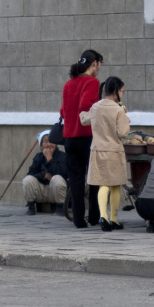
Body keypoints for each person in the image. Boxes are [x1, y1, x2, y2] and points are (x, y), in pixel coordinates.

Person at [80, 77, 131, 232]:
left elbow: (84, 120)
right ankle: (114, 219)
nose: (122, 93)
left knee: (103, 184)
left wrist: (82, 113)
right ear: (116, 91)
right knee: (115, 184)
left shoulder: (96, 107)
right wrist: (126, 120)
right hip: (114, 151)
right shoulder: (118, 109)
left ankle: (103, 216)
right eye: (122, 90)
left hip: (97, 150)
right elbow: (122, 132)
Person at [60, 49, 103, 229]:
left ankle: (78, 219)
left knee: (76, 179)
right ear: (94, 64)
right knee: (94, 178)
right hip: (87, 136)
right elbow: (87, 105)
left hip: (69, 136)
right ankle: (94, 216)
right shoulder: (92, 82)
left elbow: (62, 111)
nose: (99, 68)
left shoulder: (68, 84)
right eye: (99, 64)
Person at [22, 130, 68, 216]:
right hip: (41, 190)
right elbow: (31, 173)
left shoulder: (63, 156)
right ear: (41, 145)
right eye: (45, 142)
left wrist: (50, 159)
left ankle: (60, 208)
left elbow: (63, 174)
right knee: (27, 180)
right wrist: (43, 175)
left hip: (56, 191)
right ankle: (31, 207)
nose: (49, 144)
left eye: (51, 141)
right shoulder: (38, 157)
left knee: (57, 178)